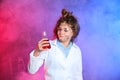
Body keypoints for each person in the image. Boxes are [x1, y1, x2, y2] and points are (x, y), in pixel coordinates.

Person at [28, 8, 83, 80]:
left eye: (65, 30)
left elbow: (78, 76)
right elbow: (31, 70)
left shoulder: (76, 50)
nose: (61, 33)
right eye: (59, 29)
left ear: (73, 32)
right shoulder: (48, 46)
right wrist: (37, 51)